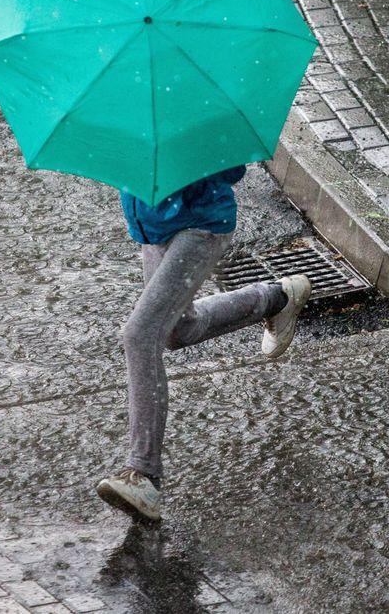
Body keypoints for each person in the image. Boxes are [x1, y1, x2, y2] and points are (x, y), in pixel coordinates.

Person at [96, 163, 311, 522]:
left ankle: (143, 474)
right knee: (176, 331)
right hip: (154, 227)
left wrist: (181, 170)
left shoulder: (192, 113)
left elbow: (232, 168)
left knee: (140, 335)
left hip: (199, 227)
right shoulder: (127, 111)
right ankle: (278, 298)